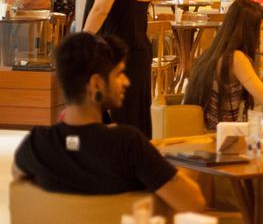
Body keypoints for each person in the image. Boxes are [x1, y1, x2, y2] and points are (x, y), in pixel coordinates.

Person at [12, 32, 205, 212]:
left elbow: (17, 177)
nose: (126, 82)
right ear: (96, 84)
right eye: (118, 74)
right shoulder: (127, 144)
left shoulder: (37, 144)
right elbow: (194, 203)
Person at [82, 0, 155, 136]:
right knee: (136, 115)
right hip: (140, 50)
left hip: (118, 52)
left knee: (118, 114)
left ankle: (118, 155)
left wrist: (82, 41)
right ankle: (136, 154)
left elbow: (100, 9)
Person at [184, 0, 263, 131]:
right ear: (246, 30)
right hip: (215, 136)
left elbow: (245, 85)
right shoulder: (236, 58)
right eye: (261, 29)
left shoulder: (215, 51)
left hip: (200, 131)